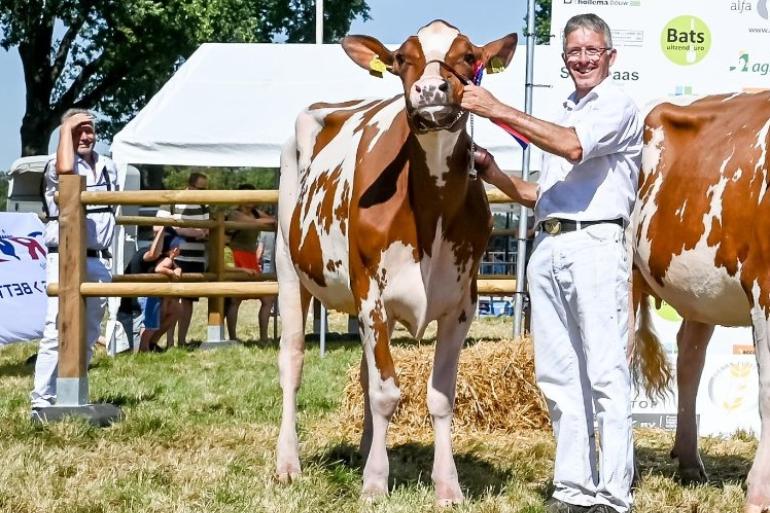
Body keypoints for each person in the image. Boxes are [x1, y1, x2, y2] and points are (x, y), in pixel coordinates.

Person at [462, 13, 642, 513]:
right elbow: (543, 195)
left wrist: (495, 107)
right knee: (559, 378)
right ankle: (572, 489)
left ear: (610, 57)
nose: (582, 59)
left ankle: (613, 495)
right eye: (574, 52)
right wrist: (493, 171)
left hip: (596, 245)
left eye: (592, 50)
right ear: (564, 60)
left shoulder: (616, 106)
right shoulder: (566, 109)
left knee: (605, 375)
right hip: (552, 242)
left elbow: (572, 145)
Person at [31, 109, 118, 410]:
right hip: (66, 257)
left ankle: (74, 394)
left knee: (90, 331)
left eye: (89, 129)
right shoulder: (57, 164)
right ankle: (42, 399)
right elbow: (67, 171)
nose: (85, 136)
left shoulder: (108, 166)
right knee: (58, 330)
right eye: (77, 130)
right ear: (65, 134)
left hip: (99, 258)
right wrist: (66, 125)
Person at [155, 172, 209, 347]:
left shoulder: (204, 205)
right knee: (174, 299)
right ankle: (170, 341)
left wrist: (183, 229)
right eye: (201, 189)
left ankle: (181, 340)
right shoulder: (172, 200)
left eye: (205, 189)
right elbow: (158, 226)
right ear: (190, 186)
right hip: (176, 258)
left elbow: (206, 230)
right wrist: (186, 231)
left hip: (196, 258)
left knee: (189, 300)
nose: (203, 192)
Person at [224, 185, 275, 341]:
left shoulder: (255, 213)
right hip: (236, 256)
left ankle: (264, 337)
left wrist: (258, 221)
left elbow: (272, 221)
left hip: (252, 258)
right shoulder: (233, 213)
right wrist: (259, 222)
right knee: (236, 299)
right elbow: (253, 223)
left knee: (267, 298)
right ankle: (233, 337)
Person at [137, 229, 184, 352]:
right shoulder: (167, 260)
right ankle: (145, 347)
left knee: (153, 322)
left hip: (156, 297)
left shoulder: (169, 260)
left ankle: (149, 345)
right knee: (150, 324)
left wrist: (177, 269)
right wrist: (171, 272)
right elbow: (159, 269)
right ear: (172, 249)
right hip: (152, 297)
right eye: (177, 246)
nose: (179, 249)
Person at [255, 216, 277, 341]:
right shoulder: (278, 227)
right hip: (277, 262)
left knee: (267, 299)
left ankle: (263, 335)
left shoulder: (263, 231)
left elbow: (260, 250)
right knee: (268, 300)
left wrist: (257, 261)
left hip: (267, 263)